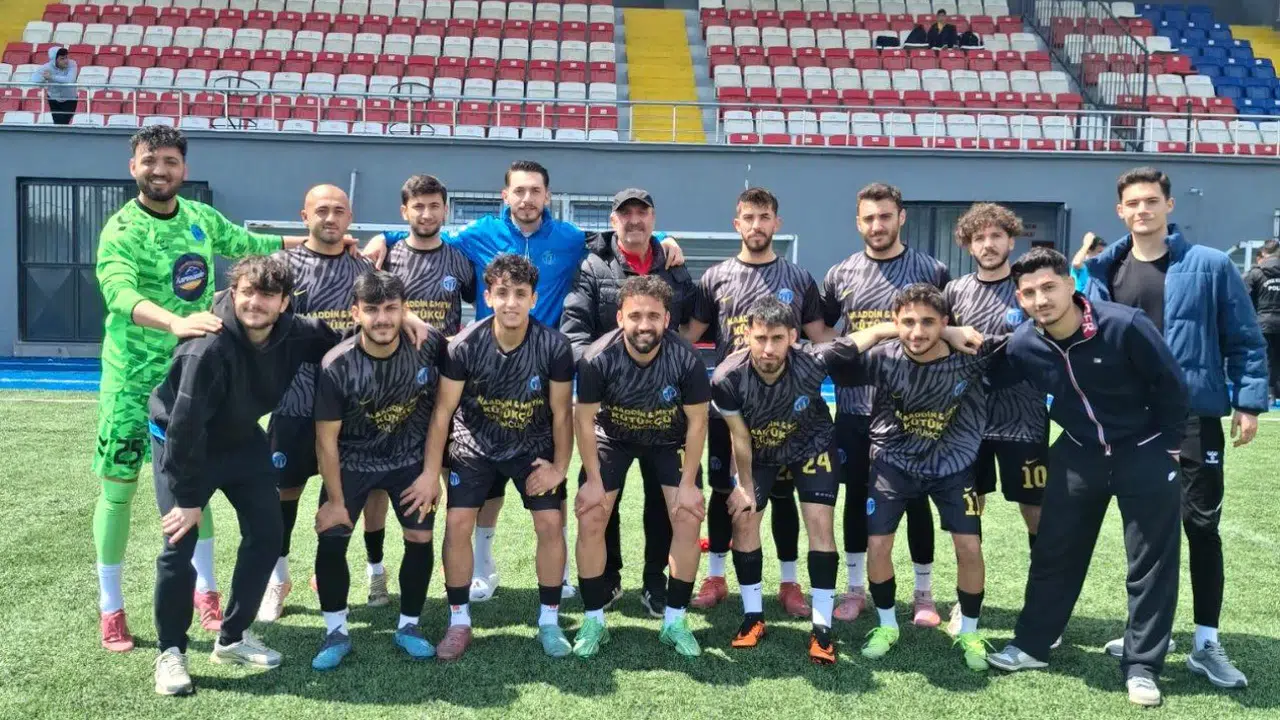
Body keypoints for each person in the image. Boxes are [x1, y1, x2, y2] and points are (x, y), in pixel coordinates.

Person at [366, 161, 685, 604]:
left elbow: (619, 236)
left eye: (535, 191)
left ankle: (564, 571)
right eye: (519, 191)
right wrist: (385, 237)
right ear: (506, 196)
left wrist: (664, 237)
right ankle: (483, 567)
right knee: (485, 477)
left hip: (547, 371)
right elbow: (430, 233)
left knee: (555, 474)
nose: (527, 199)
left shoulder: (569, 237)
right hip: (489, 372)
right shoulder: (479, 233)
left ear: (547, 196)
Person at [93, 125, 316, 652]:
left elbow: (250, 243)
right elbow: (117, 292)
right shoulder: (121, 230)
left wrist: (313, 242)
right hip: (133, 382)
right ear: (134, 167)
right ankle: (111, 606)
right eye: (150, 161)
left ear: (184, 169)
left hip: (200, 379)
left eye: (170, 161)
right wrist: (174, 323)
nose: (160, 170)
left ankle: (207, 592)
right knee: (119, 489)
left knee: (199, 478)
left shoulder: (200, 218)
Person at [1083, 167, 1267, 689]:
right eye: (1133, 203)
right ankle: (1145, 633)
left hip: (1190, 416)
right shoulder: (1102, 271)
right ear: (1120, 211)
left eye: (1151, 201)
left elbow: (1244, 336)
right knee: (1144, 533)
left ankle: (1206, 643)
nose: (1142, 210)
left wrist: (1248, 402)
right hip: (1128, 420)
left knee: (1201, 527)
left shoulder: (1209, 265)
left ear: (1169, 205)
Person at [986, 248, 1190, 708]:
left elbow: (1172, 384)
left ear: (1070, 285)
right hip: (1078, 455)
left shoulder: (1125, 325)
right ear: (1019, 299)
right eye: (1029, 293)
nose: (1040, 300)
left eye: (1049, 287)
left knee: (1150, 564)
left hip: (1143, 451)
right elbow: (985, 372)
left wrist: (1169, 447)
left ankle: (1142, 666)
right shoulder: (1024, 343)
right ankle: (1033, 645)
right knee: (1054, 553)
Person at [149, 255, 341, 696]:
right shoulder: (207, 347)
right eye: (248, 292)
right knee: (180, 543)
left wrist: (405, 320)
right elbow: (184, 426)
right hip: (183, 441)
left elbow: (345, 342)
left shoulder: (296, 332)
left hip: (239, 437)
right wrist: (187, 499)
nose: (256, 303)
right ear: (233, 293)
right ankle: (171, 651)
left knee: (268, 533)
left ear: (284, 302)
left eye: (268, 295)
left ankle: (232, 637)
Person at [711, 296, 894, 664]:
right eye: (760, 338)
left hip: (812, 445)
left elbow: (872, 334)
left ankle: (822, 628)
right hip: (759, 450)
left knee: (820, 525)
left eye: (777, 338)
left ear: (793, 337)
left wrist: (948, 333)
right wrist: (743, 487)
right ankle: (752, 617)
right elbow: (739, 436)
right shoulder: (726, 377)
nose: (768, 348)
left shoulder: (814, 359)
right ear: (747, 336)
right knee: (744, 518)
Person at [682, 187, 832, 617]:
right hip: (728, 405)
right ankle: (716, 576)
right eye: (748, 217)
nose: (756, 225)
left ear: (776, 224)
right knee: (723, 490)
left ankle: (789, 581)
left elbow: (821, 336)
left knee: (782, 496)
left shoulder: (799, 278)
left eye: (764, 217)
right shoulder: (715, 277)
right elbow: (689, 335)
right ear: (737, 224)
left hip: (785, 411)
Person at [422, 253, 576, 661]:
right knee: (458, 522)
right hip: (475, 445)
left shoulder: (554, 346)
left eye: (520, 294)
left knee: (550, 523)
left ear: (534, 299)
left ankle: (549, 620)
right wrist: (431, 472)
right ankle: (458, 621)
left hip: (531, 445)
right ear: (488, 297)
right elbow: (442, 413)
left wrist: (559, 468)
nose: (511, 302)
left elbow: (562, 413)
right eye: (502, 293)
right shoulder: (463, 346)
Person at [847, 284, 1001, 671]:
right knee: (878, 544)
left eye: (929, 322)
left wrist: (954, 334)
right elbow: (831, 355)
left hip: (953, 467)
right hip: (892, 465)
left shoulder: (971, 355)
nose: (917, 332)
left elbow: (1028, 342)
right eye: (908, 322)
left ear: (945, 322)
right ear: (895, 321)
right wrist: (882, 331)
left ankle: (969, 631)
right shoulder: (882, 357)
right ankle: (887, 626)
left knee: (969, 547)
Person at [259, 185, 393, 623]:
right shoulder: (281, 267)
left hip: (355, 403)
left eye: (338, 210)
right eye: (321, 211)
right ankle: (278, 578)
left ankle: (373, 571)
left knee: (367, 490)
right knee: (285, 491)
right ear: (304, 216)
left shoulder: (363, 268)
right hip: (295, 399)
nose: (330, 218)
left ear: (350, 217)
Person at [819, 182, 950, 626]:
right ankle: (856, 589)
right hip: (855, 409)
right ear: (858, 223)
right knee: (856, 498)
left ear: (901, 217)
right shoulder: (840, 274)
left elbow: (946, 329)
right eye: (869, 218)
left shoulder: (931, 270)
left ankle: (924, 593)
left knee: (916, 501)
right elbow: (823, 333)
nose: (877, 225)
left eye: (885, 216)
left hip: (913, 413)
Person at [561, 188, 696, 618]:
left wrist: (667, 373)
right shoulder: (592, 264)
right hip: (610, 408)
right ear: (613, 220)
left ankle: (656, 582)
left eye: (642, 212)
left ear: (653, 219)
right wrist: (608, 374)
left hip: (664, 412)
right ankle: (609, 578)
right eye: (626, 213)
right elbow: (574, 331)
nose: (634, 220)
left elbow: (689, 325)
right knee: (603, 500)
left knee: (663, 502)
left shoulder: (673, 265)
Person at [310, 271, 449, 670]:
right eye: (372, 310)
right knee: (332, 535)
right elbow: (326, 440)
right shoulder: (337, 364)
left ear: (405, 310)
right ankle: (336, 631)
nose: (383, 319)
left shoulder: (427, 345)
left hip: (408, 458)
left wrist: (431, 474)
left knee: (419, 536)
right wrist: (335, 500)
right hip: (352, 460)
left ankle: (409, 626)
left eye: (392, 309)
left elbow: (445, 402)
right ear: (356, 313)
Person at [571, 275, 708, 658]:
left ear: (667, 318)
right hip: (613, 436)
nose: (643, 324)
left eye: (652, 316)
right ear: (620, 318)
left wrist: (689, 484)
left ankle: (675, 621)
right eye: (635, 316)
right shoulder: (598, 357)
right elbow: (584, 420)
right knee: (592, 513)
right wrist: (592, 480)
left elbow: (698, 422)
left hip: (668, 438)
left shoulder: (686, 359)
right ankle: (594, 621)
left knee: (687, 515)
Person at [944, 204, 1045, 583]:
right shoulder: (955, 291)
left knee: (1036, 512)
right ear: (969, 245)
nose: (988, 244)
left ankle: (1043, 599)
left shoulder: (1029, 289)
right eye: (979, 238)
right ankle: (967, 598)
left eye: (996, 236)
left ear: (1011, 241)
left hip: (1024, 420)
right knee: (968, 512)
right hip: (967, 423)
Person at [384, 174, 477, 337]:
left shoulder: (460, 259)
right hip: (399, 352)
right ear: (404, 212)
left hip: (444, 352)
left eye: (434, 206)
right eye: (418, 207)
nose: (427, 215)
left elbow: (479, 306)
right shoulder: (387, 258)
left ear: (445, 211)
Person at [1242, 238, 1280, 407]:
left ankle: (1267, 393)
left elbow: (1243, 299)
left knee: (1264, 359)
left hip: (1262, 323)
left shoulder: (1255, 273)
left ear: (1264, 253)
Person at [34, 46, 78, 124]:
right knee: (58, 123)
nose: (66, 61)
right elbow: (34, 80)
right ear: (54, 60)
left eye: (66, 57)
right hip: (53, 98)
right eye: (62, 59)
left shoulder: (72, 64)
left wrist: (51, 77)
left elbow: (70, 80)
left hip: (70, 99)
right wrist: (44, 77)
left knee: (63, 122)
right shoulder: (47, 67)